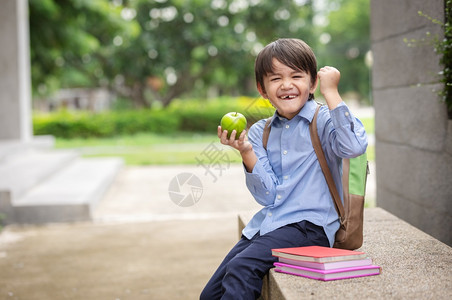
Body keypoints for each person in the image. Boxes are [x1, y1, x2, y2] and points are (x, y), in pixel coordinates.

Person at [200, 38, 368, 300]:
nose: (287, 85)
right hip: (270, 225)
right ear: (262, 89)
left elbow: (354, 146)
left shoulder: (323, 120)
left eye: (296, 76)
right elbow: (267, 196)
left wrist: (332, 92)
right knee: (210, 294)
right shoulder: (260, 132)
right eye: (275, 78)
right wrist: (246, 151)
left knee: (242, 269)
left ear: (312, 83)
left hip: (311, 226)